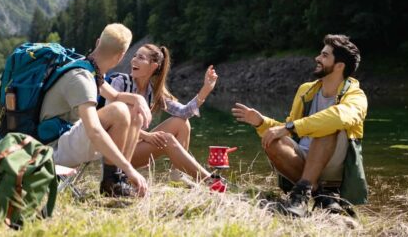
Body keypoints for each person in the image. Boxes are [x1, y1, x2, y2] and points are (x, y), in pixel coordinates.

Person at [232, 34, 367, 217]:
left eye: (325, 56)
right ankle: (318, 194)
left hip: (334, 162)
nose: (317, 58)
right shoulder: (306, 90)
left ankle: (310, 192)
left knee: (327, 126)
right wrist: (261, 123)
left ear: (339, 66)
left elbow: (339, 118)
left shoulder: (356, 95)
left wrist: (289, 127)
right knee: (271, 140)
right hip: (303, 159)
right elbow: (288, 129)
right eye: (320, 54)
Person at [40, 23, 152, 197]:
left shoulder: (89, 69)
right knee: (119, 111)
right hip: (52, 151)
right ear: (121, 56)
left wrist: (138, 99)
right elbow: (94, 131)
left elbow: (114, 95)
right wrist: (130, 168)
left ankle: (119, 180)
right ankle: (111, 182)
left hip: (64, 140)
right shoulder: (82, 78)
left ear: (98, 41)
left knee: (133, 113)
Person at [105, 44, 223, 190]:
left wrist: (206, 89)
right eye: (134, 56)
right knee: (167, 139)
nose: (133, 60)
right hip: (113, 151)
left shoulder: (154, 92)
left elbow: (184, 112)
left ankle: (176, 176)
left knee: (181, 123)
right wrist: (146, 136)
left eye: (140, 57)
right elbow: (110, 121)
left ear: (153, 66)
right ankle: (211, 182)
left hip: (135, 148)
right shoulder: (121, 82)